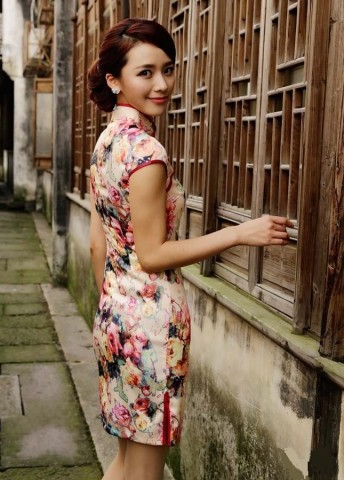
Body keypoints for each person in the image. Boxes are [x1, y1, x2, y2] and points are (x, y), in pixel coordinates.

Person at [88, 18, 292, 480]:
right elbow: (153, 254)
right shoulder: (146, 153)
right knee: (145, 471)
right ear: (114, 79)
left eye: (168, 69)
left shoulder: (105, 144)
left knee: (125, 461)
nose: (162, 84)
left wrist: (115, 311)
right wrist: (240, 233)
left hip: (115, 316)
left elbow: (97, 245)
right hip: (151, 327)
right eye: (145, 72)